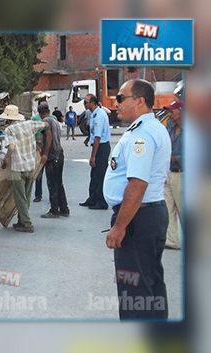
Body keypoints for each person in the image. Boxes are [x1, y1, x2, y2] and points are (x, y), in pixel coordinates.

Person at [104, 79, 171, 320]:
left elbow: (137, 184)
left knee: (134, 290)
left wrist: (120, 226)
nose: (116, 102)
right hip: (146, 215)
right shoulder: (150, 128)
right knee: (150, 284)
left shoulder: (142, 134)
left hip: (137, 219)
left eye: (121, 98)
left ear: (140, 101)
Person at [1, 104, 52, 233]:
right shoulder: (29, 124)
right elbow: (46, 125)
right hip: (30, 166)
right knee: (26, 196)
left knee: (20, 198)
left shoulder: (9, 130)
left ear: (7, 118)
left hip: (18, 168)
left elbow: (11, 148)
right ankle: (21, 221)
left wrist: (6, 160)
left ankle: (27, 224)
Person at [38, 103, 70, 218]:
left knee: (52, 184)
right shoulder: (55, 121)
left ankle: (54, 210)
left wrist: (45, 154)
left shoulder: (46, 121)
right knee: (59, 183)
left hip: (52, 156)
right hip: (59, 154)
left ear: (40, 112)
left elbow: (49, 137)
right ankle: (64, 209)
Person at [80, 94, 111, 210]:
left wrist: (93, 156)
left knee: (100, 175)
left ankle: (101, 202)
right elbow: (93, 133)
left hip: (101, 147)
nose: (84, 104)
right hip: (98, 146)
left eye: (86, 102)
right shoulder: (93, 114)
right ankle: (92, 198)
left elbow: (98, 137)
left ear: (92, 102)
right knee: (94, 175)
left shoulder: (99, 115)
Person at [163, 100, 183, 250]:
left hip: (183, 174)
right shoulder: (170, 127)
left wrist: (176, 158)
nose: (170, 113)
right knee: (168, 207)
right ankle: (172, 240)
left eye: (172, 111)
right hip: (169, 172)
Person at [31, 110, 45, 203]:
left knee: (50, 176)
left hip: (45, 148)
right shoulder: (35, 119)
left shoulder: (51, 119)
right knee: (38, 174)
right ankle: (38, 195)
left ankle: (39, 195)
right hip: (39, 148)